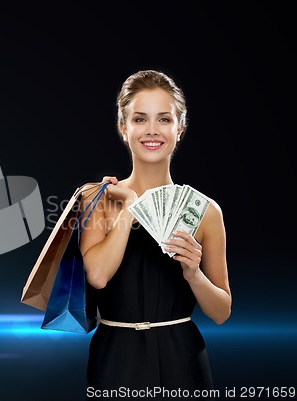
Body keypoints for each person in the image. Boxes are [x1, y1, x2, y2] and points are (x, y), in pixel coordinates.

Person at [79, 69, 231, 397]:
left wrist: (194, 274)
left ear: (181, 127)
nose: (152, 130)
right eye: (139, 119)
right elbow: (98, 276)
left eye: (164, 119)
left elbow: (221, 311)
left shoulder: (206, 211)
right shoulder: (96, 199)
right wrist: (129, 205)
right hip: (115, 358)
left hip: (183, 359)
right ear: (123, 127)